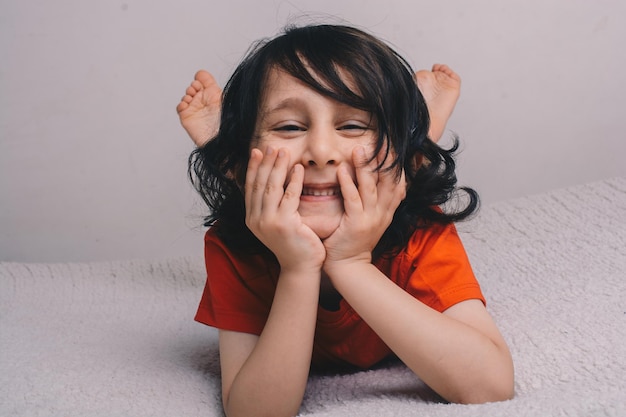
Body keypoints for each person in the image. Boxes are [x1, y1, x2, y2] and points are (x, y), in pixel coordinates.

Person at [181, 24, 514, 417]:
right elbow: (254, 412)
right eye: (289, 126)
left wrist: (351, 263)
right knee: (363, 163)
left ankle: (418, 136)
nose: (321, 151)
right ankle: (229, 153)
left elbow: (490, 385)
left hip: (396, 171)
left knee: (394, 169)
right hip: (264, 170)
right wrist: (298, 268)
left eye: (353, 125)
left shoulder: (421, 231)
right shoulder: (234, 245)